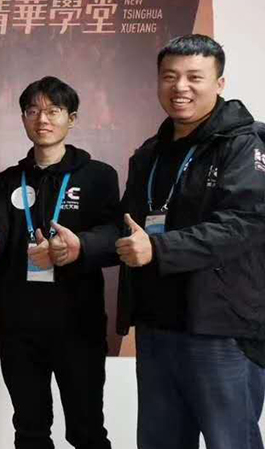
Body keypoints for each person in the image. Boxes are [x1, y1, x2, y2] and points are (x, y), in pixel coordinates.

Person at [113, 34, 265, 449]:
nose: (180, 87)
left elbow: (244, 223)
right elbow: (126, 226)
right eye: (170, 76)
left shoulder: (244, 144)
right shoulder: (149, 153)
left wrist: (159, 249)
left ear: (219, 83)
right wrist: (82, 248)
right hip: (157, 326)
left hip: (220, 330)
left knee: (230, 441)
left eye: (194, 77)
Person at [0, 76, 118, 449]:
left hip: (79, 324)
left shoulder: (98, 176)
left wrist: (80, 246)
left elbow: (114, 235)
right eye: (33, 111)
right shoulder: (7, 180)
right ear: (23, 118)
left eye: (54, 111)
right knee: (30, 430)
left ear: (72, 118)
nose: (42, 119)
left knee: (87, 431)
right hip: (20, 327)